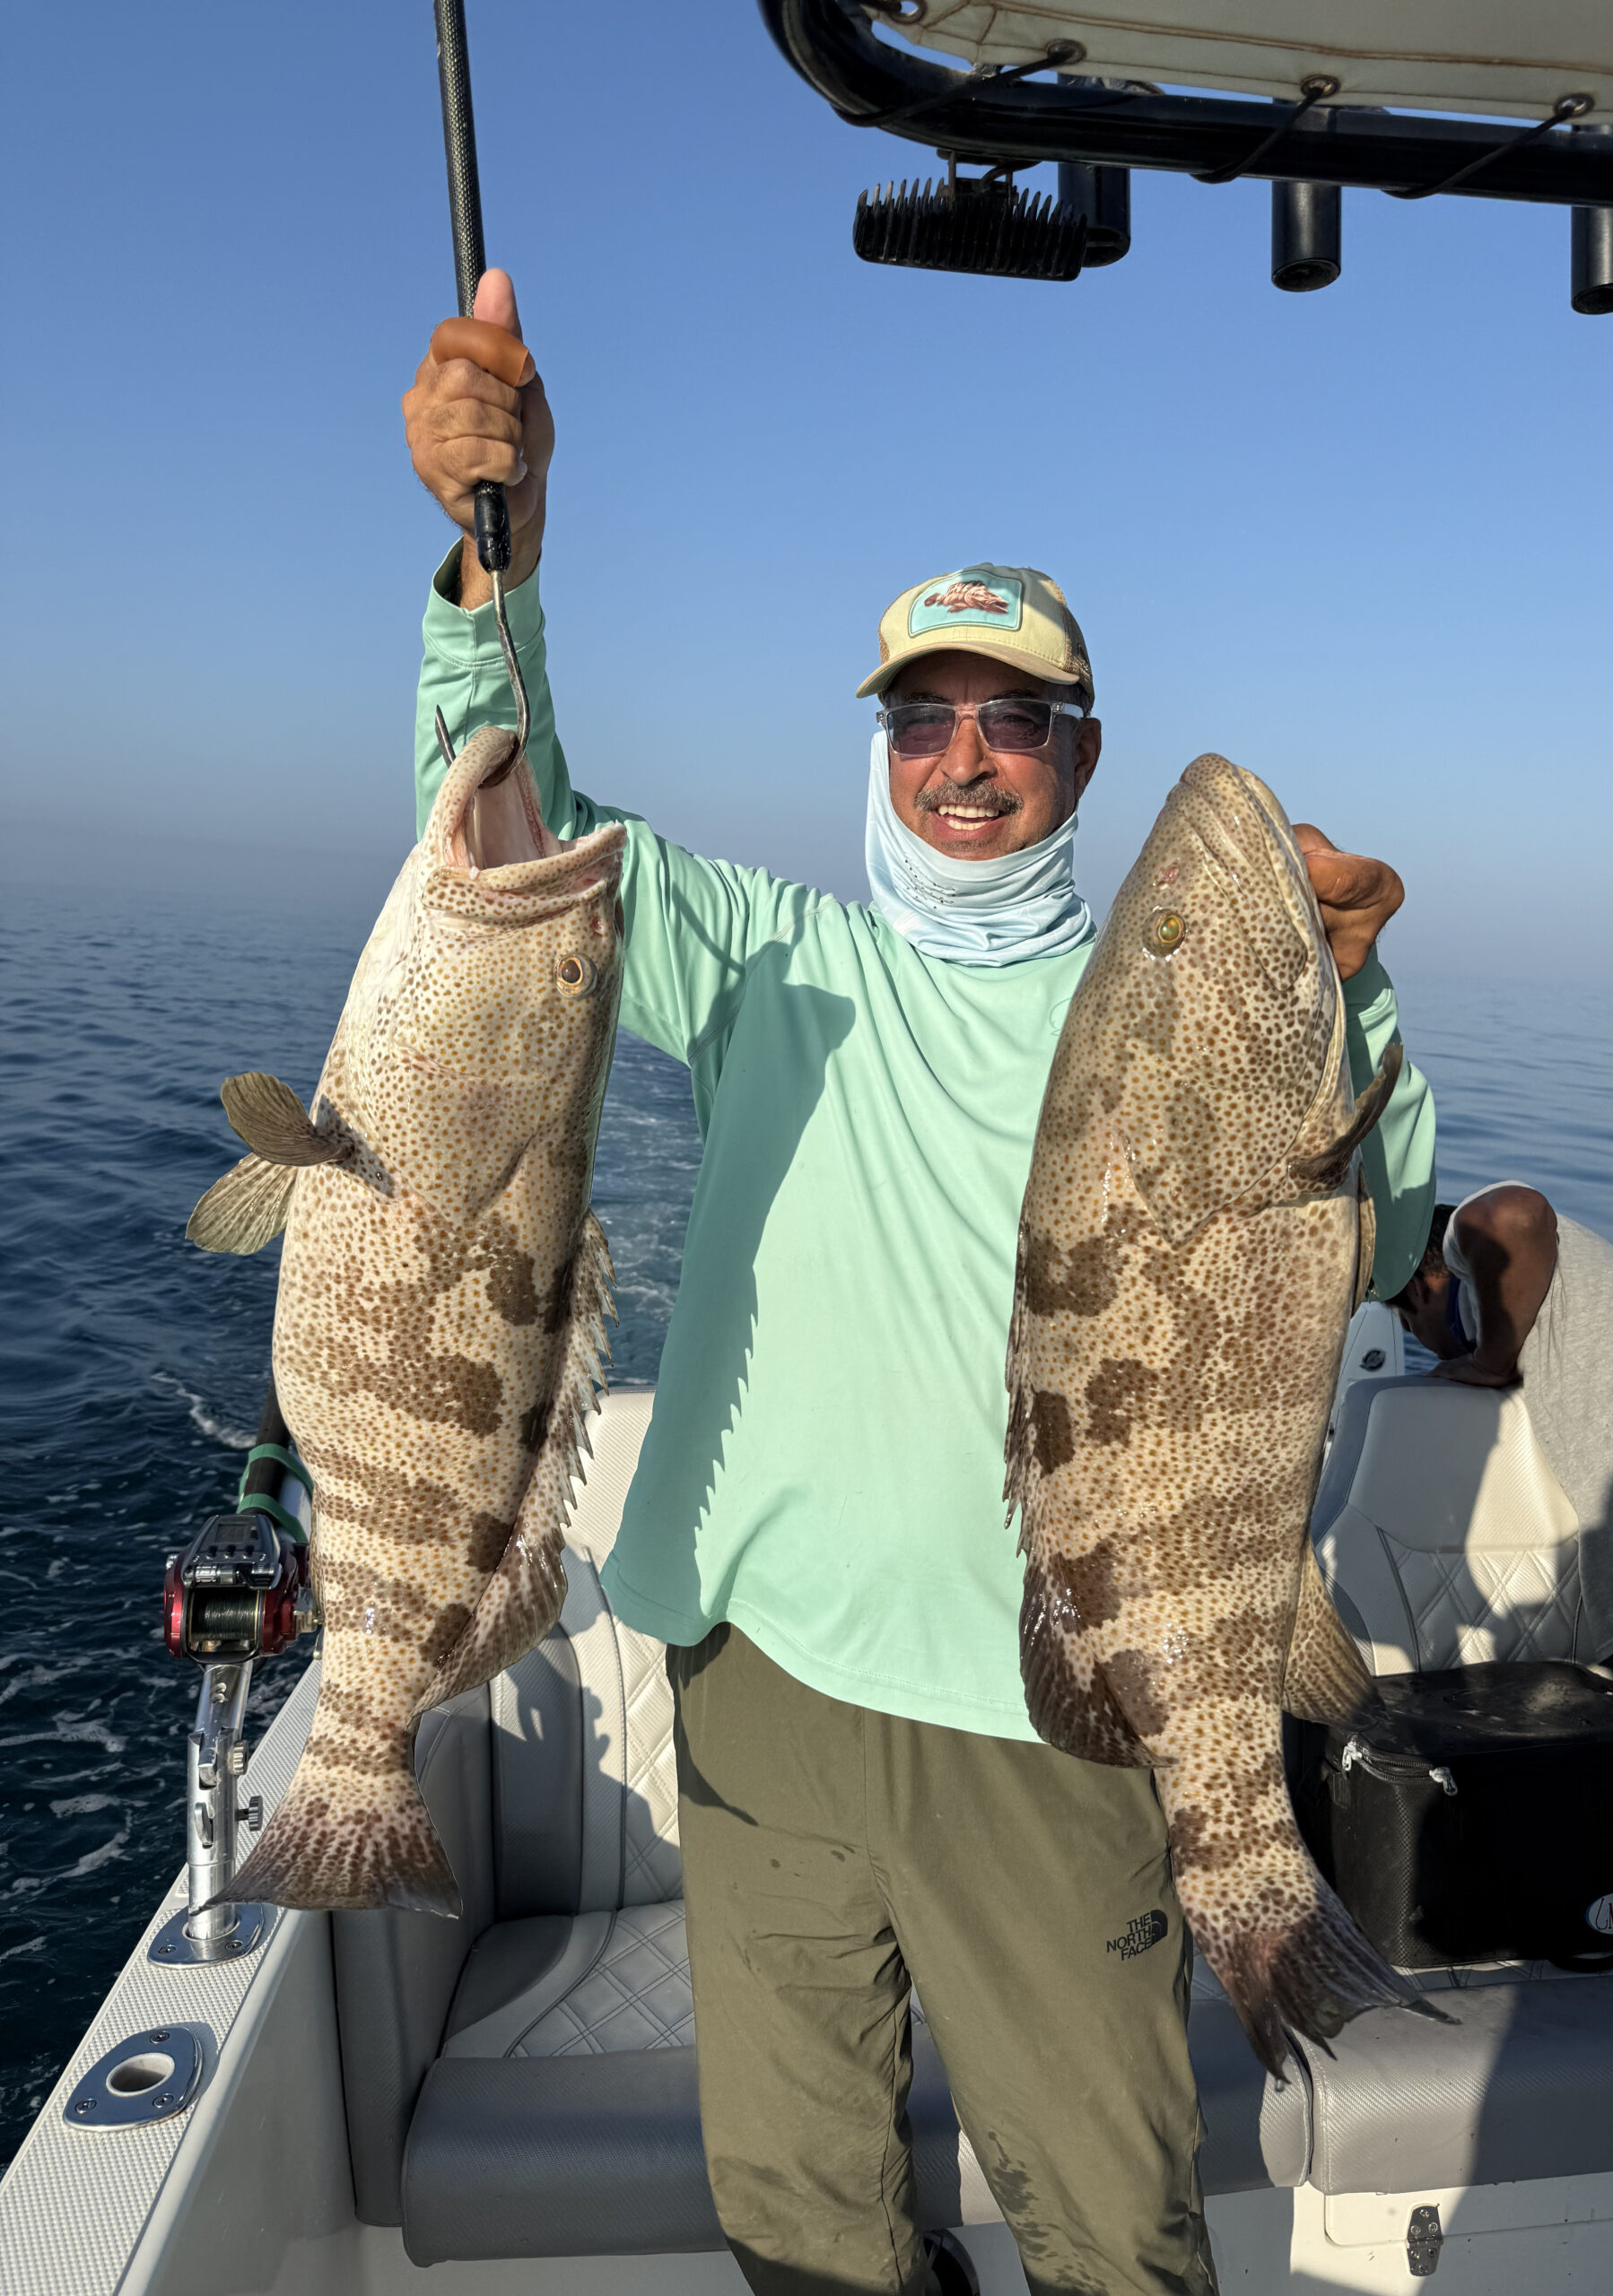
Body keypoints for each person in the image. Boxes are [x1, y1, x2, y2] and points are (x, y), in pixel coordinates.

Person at [403, 269, 1437, 2296]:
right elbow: (507, 837)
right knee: (795, 2200)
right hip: (762, 1677)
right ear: (883, 744)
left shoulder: (1172, 1005)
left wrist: (1354, 997)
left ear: (1081, 751)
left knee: (1112, 2222)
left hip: (1053, 1703)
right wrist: (487, 569)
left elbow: (1374, 1240)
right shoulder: (764, 956)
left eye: (1014, 719)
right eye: (923, 717)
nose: (966, 760)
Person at [1389, 1185, 1613, 1905]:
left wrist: (1490, 1361)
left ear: (1424, 1285)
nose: (1425, 1345)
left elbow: (1511, 1211)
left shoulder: (1472, 1250)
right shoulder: (1591, 1292)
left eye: (1410, 1324)